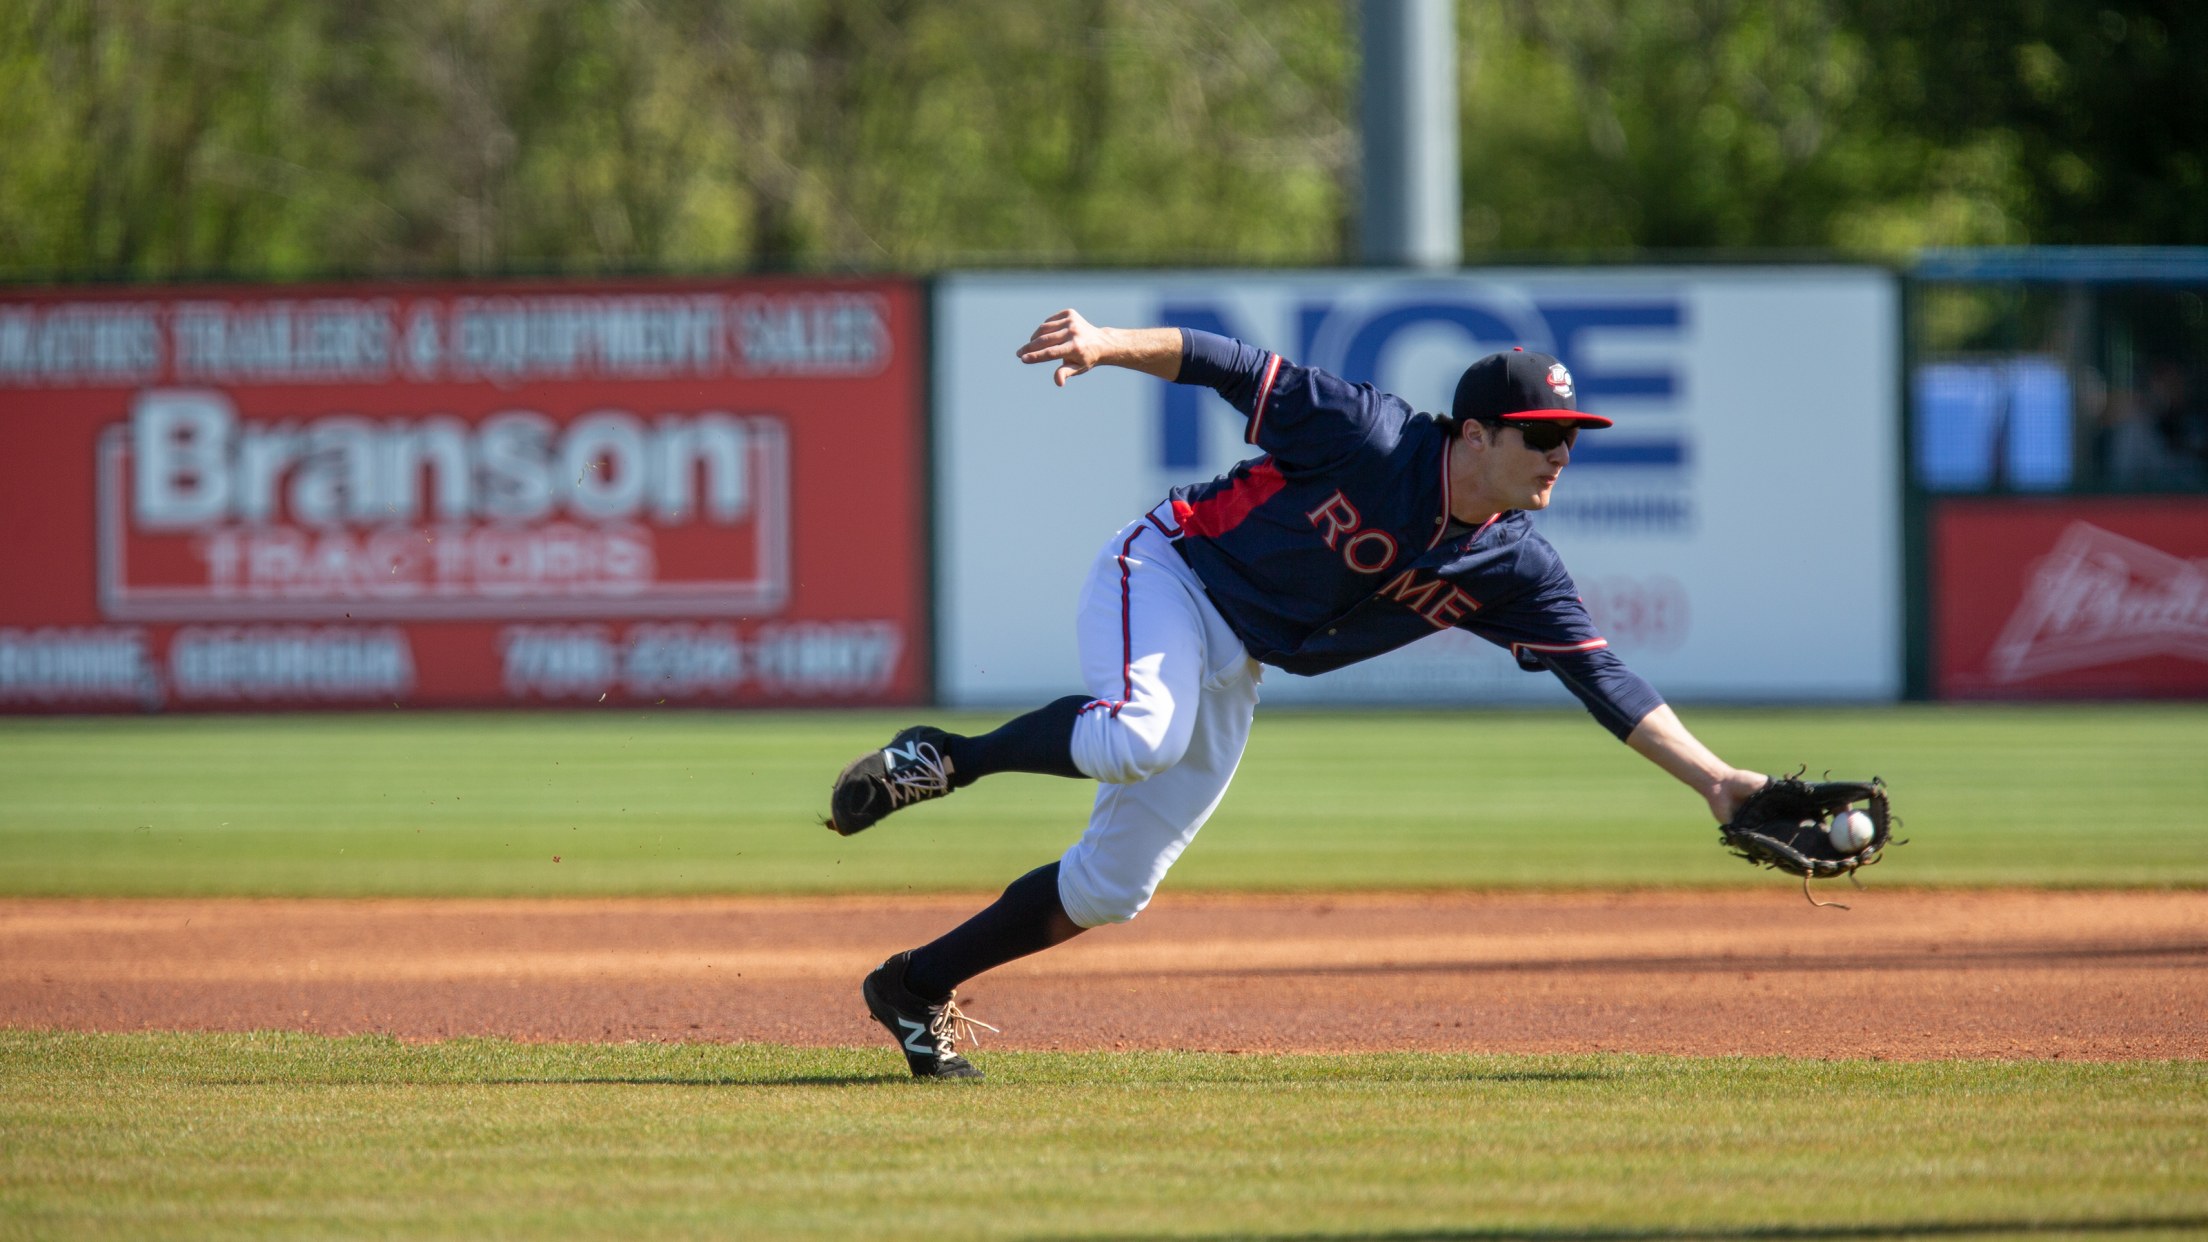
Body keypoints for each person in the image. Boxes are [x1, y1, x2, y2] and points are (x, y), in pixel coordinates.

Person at [824, 309, 1769, 1079]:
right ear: (1476, 434)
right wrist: (1108, 343)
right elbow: (1229, 363)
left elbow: (1606, 680)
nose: (1561, 453)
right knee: (1140, 737)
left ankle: (914, 986)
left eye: (1571, 437)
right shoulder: (1371, 433)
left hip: (1241, 652)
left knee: (1112, 889)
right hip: (1170, 568)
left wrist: (1719, 782)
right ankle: (949, 757)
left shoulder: (1515, 566)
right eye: (1543, 435)